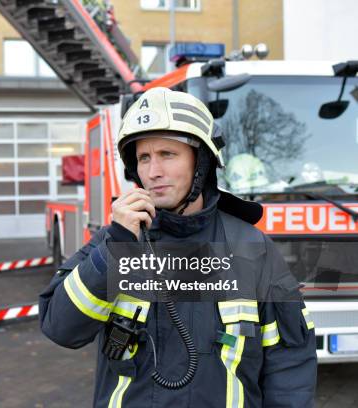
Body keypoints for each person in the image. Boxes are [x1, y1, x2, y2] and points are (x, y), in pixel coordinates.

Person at [39, 87, 317, 408]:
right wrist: (117, 250)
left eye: (167, 154)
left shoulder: (252, 248)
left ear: (201, 162)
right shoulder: (116, 242)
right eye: (144, 158)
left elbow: (289, 359)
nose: (153, 171)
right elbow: (61, 328)